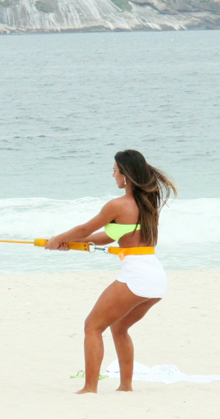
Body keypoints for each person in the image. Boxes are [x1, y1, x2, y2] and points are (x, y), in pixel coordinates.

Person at [45, 150, 177, 394]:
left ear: (125, 174)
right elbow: (108, 237)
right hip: (156, 278)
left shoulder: (117, 205)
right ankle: (125, 387)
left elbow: (84, 228)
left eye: (114, 170)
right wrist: (71, 244)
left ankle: (89, 388)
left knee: (92, 326)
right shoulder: (147, 204)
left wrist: (57, 238)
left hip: (137, 276)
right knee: (119, 328)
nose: (112, 174)